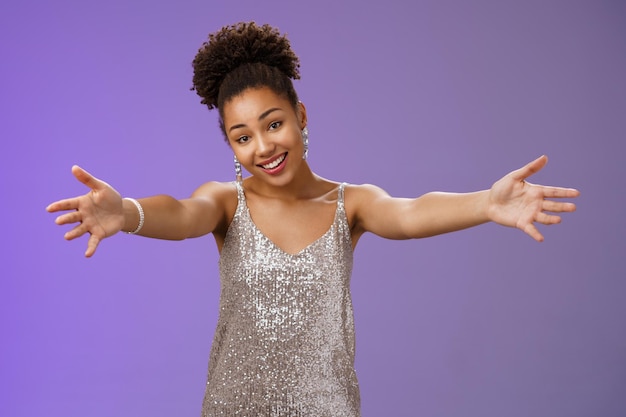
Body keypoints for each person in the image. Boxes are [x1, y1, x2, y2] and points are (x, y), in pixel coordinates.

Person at [46, 22, 579, 417]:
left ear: (300, 116)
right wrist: (129, 213)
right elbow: (183, 213)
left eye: (273, 124)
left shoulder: (351, 204)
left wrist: (487, 202)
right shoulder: (227, 202)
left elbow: (411, 211)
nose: (263, 147)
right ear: (230, 145)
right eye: (242, 136)